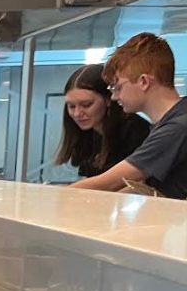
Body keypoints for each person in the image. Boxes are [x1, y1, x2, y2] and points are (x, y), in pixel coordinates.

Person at [73, 33, 187, 197]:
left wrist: (53, 198)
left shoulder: (176, 127)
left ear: (143, 82)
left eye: (117, 87)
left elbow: (109, 182)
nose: (114, 97)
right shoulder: (169, 122)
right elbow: (142, 185)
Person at [55, 64, 149, 179]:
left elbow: (136, 184)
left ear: (109, 99)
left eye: (86, 105)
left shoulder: (136, 131)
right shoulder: (87, 132)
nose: (77, 113)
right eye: (71, 106)